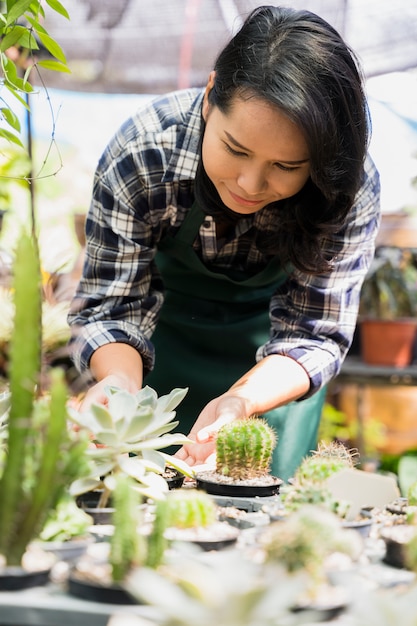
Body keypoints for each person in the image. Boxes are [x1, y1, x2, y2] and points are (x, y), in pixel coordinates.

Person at [68, 5, 380, 482]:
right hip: (154, 371)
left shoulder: (347, 186)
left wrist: (243, 400)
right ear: (211, 96)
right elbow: (111, 307)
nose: (251, 184)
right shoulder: (146, 153)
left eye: (286, 167)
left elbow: (314, 333)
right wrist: (117, 384)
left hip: (272, 385)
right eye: (235, 149)